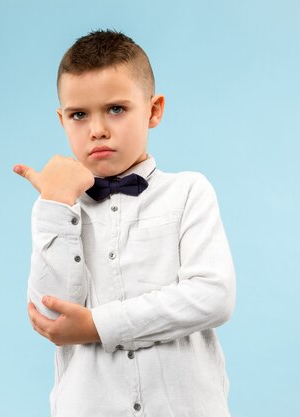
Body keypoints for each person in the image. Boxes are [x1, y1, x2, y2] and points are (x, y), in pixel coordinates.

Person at [13, 29, 236, 417]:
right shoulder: (54, 208)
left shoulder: (188, 192)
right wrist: (55, 205)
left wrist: (99, 325)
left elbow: (212, 296)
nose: (97, 128)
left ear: (153, 109)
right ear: (61, 119)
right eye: (79, 114)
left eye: (116, 108)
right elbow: (50, 318)